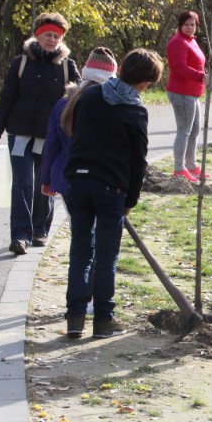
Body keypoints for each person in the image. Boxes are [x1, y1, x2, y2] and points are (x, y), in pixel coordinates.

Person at [62, 48, 163, 339]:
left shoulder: (89, 96)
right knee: (107, 256)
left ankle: (75, 318)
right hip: (110, 188)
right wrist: (130, 200)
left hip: (77, 181)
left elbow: (75, 134)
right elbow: (138, 162)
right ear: (143, 82)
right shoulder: (135, 110)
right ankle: (103, 319)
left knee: (80, 251)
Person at [0, 12, 81, 256]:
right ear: (37, 36)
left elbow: (79, 102)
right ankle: (20, 236)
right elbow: (7, 99)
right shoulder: (20, 63)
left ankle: (40, 230)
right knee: (22, 184)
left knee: (44, 183)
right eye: (48, 35)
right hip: (19, 133)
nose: (52, 40)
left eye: (57, 36)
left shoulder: (67, 66)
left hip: (51, 137)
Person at [41, 47, 118, 317]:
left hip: (68, 180)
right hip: (101, 181)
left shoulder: (65, 103)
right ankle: (92, 297)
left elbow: (51, 145)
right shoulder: (108, 104)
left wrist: (46, 178)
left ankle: (80, 299)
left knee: (81, 240)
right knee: (99, 241)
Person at [166, 10, 207, 181]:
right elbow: (180, 67)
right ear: (180, 25)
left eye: (193, 24)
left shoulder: (191, 40)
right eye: (186, 24)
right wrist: (200, 76)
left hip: (192, 92)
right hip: (181, 92)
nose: (190, 27)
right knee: (184, 131)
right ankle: (179, 168)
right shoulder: (178, 42)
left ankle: (191, 165)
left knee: (195, 130)